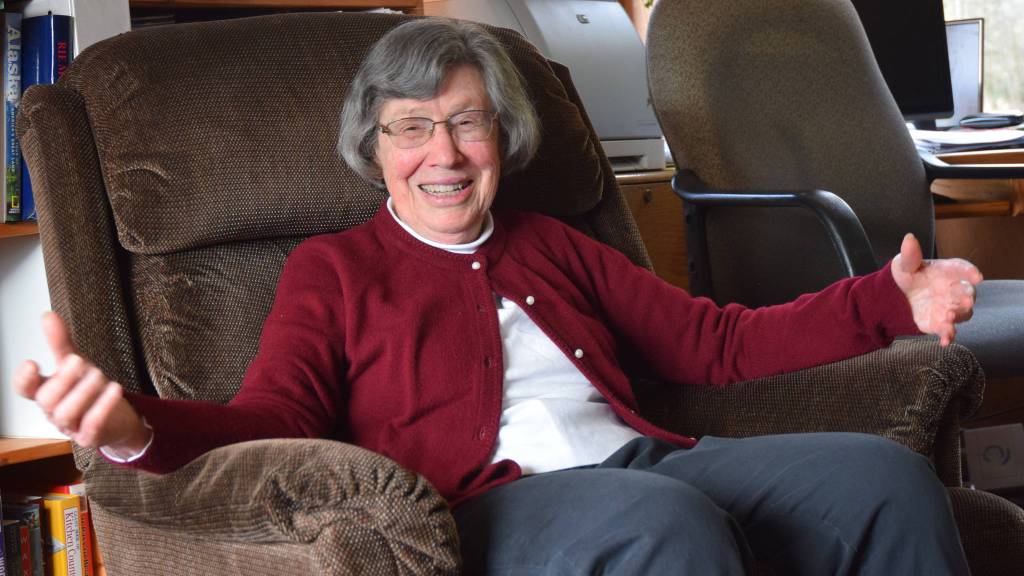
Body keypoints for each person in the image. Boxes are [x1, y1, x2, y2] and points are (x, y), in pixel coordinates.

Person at [14, 18, 981, 575]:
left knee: (882, 478)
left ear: (501, 138)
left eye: (466, 123)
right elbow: (272, 420)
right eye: (412, 128)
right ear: (375, 150)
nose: (442, 153)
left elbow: (715, 344)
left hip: (649, 461)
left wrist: (886, 303)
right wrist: (135, 424)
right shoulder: (336, 271)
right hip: (487, 507)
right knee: (662, 524)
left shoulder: (550, 243)